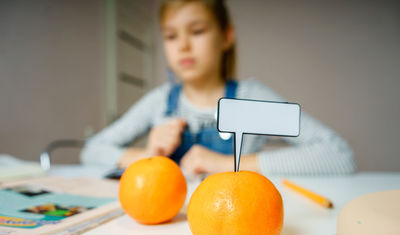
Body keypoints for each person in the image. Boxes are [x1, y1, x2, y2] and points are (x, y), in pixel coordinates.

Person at [81, 0, 356, 176]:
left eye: (197, 30)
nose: (183, 46)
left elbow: (338, 155)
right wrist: (146, 157)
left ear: (226, 36)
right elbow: (91, 151)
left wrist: (227, 165)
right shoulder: (159, 101)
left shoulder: (251, 101)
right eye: (171, 36)